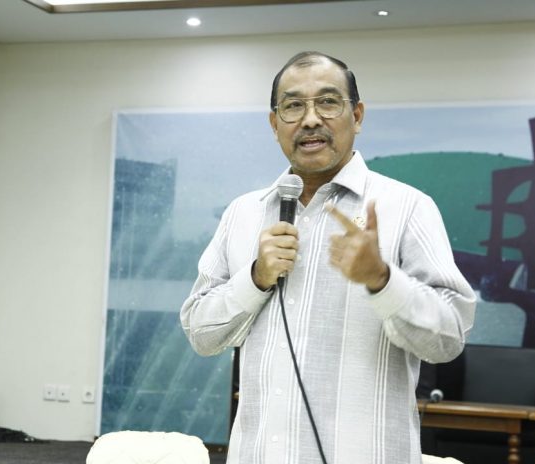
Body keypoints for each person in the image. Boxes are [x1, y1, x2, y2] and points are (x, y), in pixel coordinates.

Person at [180, 51, 476, 464]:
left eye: (328, 102)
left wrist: (382, 280)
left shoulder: (406, 207)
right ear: (274, 124)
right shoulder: (243, 213)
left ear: (357, 115)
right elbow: (200, 333)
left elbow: (449, 338)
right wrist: (256, 278)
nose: (310, 119)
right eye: (293, 106)